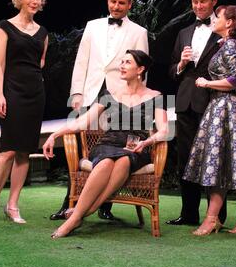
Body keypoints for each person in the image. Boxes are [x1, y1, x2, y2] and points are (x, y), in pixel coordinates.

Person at [50, 0, 149, 221]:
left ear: (130, 5)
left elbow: (142, 72)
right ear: (108, 0)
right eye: (113, 1)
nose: (116, 6)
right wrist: (77, 93)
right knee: (80, 147)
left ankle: (105, 206)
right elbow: (82, 60)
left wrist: (136, 104)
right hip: (90, 93)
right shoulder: (92, 26)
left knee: (111, 148)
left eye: (121, 3)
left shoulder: (138, 32)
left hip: (120, 100)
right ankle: (69, 202)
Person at [43, 50, 168, 239]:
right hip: (108, 144)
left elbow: (165, 130)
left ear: (140, 69)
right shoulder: (110, 94)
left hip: (136, 147)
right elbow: (82, 122)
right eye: (122, 61)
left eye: (127, 62)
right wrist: (55, 134)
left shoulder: (155, 96)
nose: (122, 65)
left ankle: (80, 214)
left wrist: (147, 142)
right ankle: (80, 215)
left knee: (125, 160)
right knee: (107, 161)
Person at [166, 0, 236, 226]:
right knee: (187, 160)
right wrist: (181, 64)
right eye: (194, 2)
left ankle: (217, 216)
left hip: (215, 103)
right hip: (186, 102)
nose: (198, 6)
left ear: (214, 1)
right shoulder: (183, 32)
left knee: (216, 159)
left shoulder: (225, 26)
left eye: (203, 1)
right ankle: (189, 213)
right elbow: (171, 71)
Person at [0, 0, 48, 224]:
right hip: (12, 92)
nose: (35, 0)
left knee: (24, 152)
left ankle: (13, 205)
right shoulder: (4, 27)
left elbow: (40, 64)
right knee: (7, 151)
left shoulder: (43, 32)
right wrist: (0, 95)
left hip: (35, 95)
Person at [183, 5, 236, 235]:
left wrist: (206, 83)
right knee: (234, 161)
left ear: (230, 22)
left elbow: (235, 80)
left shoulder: (233, 44)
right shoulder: (228, 44)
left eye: (219, 16)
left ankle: (211, 218)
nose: (215, 18)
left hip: (227, 107)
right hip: (223, 106)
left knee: (219, 161)